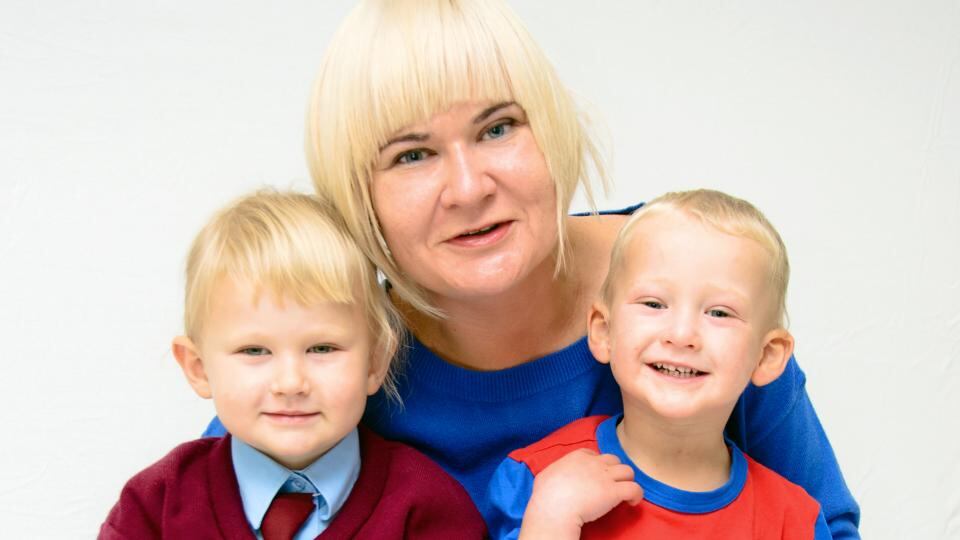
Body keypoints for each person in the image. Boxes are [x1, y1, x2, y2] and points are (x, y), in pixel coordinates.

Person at [202, 1, 859, 537]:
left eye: (498, 128)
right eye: (411, 156)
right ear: (358, 197)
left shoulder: (694, 284)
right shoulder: (327, 356)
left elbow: (825, 523)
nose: (468, 187)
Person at [102, 191, 486, 539]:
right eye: (254, 351)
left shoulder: (425, 509)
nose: (290, 383)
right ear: (198, 368)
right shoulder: (155, 506)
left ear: (374, 362)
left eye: (321, 348)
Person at [486, 189, 832, 539]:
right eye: (653, 304)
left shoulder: (796, 522)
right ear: (604, 332)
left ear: (767, 355)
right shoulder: (541, 480)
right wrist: (551, 520)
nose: (681, 335)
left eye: (719, 312)